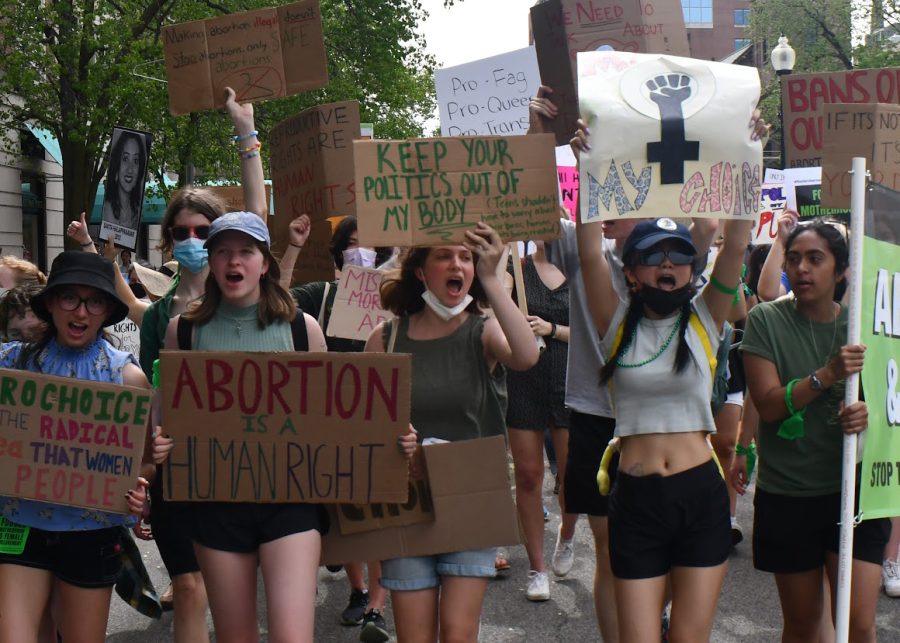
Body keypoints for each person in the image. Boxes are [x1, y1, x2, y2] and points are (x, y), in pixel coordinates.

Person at [161, 212, 381, 643]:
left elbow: (329, 420)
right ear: (211, 261)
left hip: (291, 500)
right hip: (216, 502)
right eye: (222, 251)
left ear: (264, 263)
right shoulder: (183, 332)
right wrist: (157, 445)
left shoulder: (302, 328)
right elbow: (171, 417)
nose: (233, 261)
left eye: (245, 251)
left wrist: (391, 440)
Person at [368, 222, 538, 642]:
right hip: (406, 502)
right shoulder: (384, 339)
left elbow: (527, 355)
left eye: (465, 257)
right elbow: (361, 426)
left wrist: (491, 279)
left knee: (458, 634)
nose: (456, 264)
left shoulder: (483, 331)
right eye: (444, 255)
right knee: (415, 636)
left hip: (469, 496)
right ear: (421, 272)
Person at [0, 251, 167, 641]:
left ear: (107, 309)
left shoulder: (128, 378)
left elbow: (144, 464)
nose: (81, 311)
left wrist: (139, 490)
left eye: (94, 301)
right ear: (51, 303)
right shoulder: (11, 367)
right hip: (20, 523)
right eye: (69, 298)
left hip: (91, 536)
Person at [738, 220, 890, 643]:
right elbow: (768, 404)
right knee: (805, 625)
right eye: (794, 258)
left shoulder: (866, 325)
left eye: (815, 259)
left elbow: (889, 400)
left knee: (857, 623)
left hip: (854, 494)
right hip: (791, 494)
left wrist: (864, 416)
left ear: (841, 270)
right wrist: (827, 374)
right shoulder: (766, 321)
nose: (802, 268)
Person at [505, 238, 572, 601]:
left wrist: (552, 329)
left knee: (571, 478)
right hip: (524, 382)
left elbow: (598, 336)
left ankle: (567, 534)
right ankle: (537, 568)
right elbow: (496, 311)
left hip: (568, 383)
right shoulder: (517, 268)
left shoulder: (580, 269)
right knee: (529, 476)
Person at [102, 130, 148, 232]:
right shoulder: (107, 210)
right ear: (117, 163)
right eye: (125, 159)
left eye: (136, 161)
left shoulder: (137, 212)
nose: (130, 169)